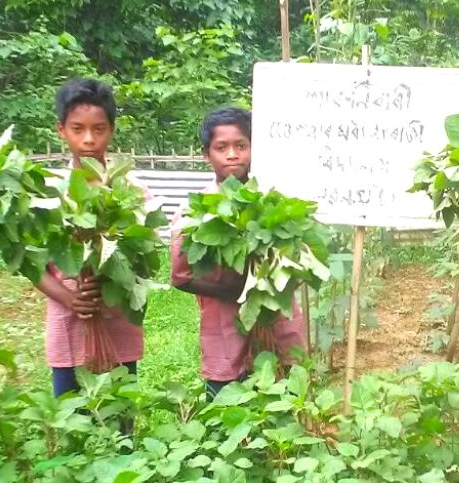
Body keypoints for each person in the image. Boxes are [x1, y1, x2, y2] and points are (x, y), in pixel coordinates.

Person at [169, 107, 305, 396]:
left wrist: (279, 277)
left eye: (241, 146)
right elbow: (180, 276)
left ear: (254, 149)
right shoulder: (195, 211)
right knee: (225, 405)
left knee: (287, 398)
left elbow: (303, 262)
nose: (233, 154)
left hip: (277, 321)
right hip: (224, 324)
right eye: (222, 147)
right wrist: (236, 289)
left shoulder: (275, 201)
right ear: (207, 154)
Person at [37, 78, 145, 397]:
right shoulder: (48, 192)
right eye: (77, 129)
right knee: (70, 414)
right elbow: (32, 265)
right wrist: (69, 298)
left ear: (111, 130)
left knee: (121, 412)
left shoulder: (131, 190)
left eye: (98, 129)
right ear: (61, 130)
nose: (88, 140)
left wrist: (111, 279)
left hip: (116, 316)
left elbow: (143, 253)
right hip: (67, 318)